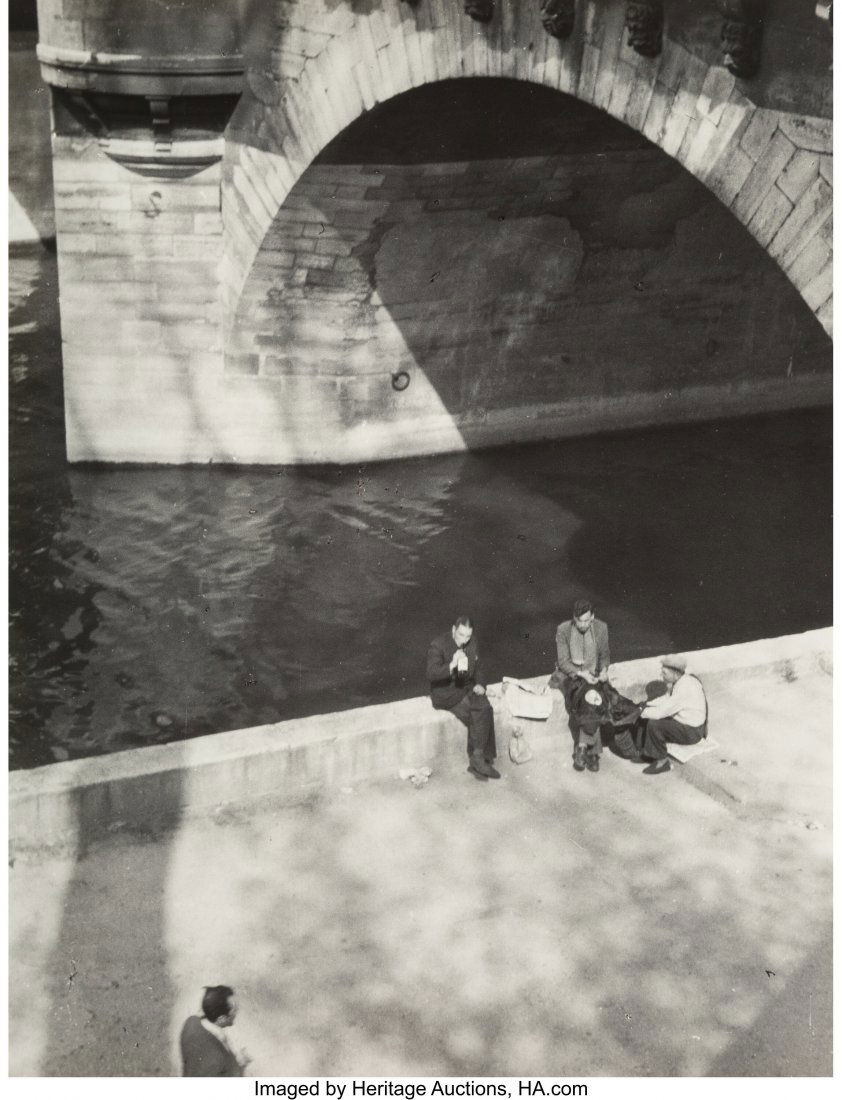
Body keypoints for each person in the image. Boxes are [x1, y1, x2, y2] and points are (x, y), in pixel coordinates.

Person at [427, 615, 499, 780]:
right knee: (477, 713)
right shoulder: (438, 645)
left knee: (486, 707)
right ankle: (479, 760)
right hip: (446, 694)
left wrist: (481, 684)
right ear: (454, 630)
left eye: (468, 636)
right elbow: (431, 674)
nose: (464, 640)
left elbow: (478, 666)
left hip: (465, 686)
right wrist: (452, 665)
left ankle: (482, 758)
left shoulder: (471, 642)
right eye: (461, 635)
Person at [552, 598, 611, 772]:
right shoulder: (563, 630)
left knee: (594, 695)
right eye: (579, 621)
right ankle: (592, 752)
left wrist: (604, 671)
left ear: (592, 617)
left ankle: (583, 747)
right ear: (574, 618)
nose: (583, 625)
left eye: (587, 621)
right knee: (591, 697)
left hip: (592, 675)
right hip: (572, 676)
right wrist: (580, 673)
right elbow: (563, 662)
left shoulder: (601, 628)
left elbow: (605, 655)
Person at [638, 654, 708, 774]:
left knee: (654, 724)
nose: (662, 675)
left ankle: (662, 761)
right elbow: (667, 699)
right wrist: (648, 704)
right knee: (651, 715)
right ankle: (650, 750)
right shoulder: (686, 680)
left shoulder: (683, 688)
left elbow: (660, 713)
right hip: (696, 727)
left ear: (675, 673)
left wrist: (641, 712)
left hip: (692, 732)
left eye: (664, 673)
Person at [180, 985, 251, 1077]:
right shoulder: (216, 1060)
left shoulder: (191, 1022)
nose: (237, 1010)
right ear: (221, 1019)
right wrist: (240, 1066)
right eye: (234, 1009)